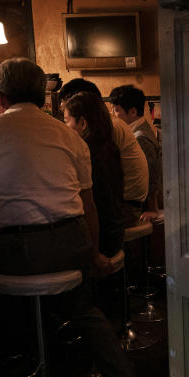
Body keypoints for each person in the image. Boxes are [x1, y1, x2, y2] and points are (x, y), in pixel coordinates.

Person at [0, 57, 135, 377]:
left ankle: (10, 374)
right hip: (74, 242)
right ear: (43, 97)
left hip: (17, 248)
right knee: (82, 305)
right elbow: (89, 207)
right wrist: (94, 253)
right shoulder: (69, 136)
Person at [58, 79, 148, 224]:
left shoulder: (108, 128)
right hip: (121, 205)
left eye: (66, 118)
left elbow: (96, 183)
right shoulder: (106, 124)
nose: (65, 125)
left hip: (124, 208)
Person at [62, 91, 125, 267]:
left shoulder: (86, 153)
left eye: (66, 121)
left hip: (102, 238)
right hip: (115, 231)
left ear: (83, 123)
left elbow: (90, 207)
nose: (63, 126)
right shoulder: (109, 147)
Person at [109, 84, 162, 223]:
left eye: (116, 110)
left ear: (132, 112)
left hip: (141, 207)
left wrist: (152, 209)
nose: (113, 114)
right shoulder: (135, 131)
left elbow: (151, 174)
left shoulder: (140, 137)